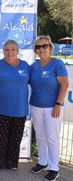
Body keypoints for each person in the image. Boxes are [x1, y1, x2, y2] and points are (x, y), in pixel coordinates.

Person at [30, 35, 68, 181]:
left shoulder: (57, 64)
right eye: (38, 47)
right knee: (40, 136)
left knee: (52, 138)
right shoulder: (33, 66)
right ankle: (42, 161)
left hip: (53, 107)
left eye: (44, 46)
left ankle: (54, 168)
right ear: (35, 50)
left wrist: (58, 104)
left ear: (50, 47)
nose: (42, 49)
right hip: (35, 106)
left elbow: (64, 85)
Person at [0, 40, 30, 173]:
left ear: (18, 52)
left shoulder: (26, 66)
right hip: (0, 108)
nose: (10, 52)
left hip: (19, 109)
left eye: (13, 49)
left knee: (15, 138)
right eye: (7, 49)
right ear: (3, 51)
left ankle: (11, 162)